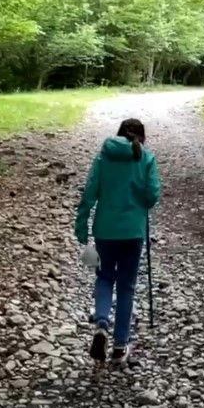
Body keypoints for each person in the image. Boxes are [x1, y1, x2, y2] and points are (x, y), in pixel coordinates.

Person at [74, 117, 161, 365]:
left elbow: (89, 192)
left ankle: (101, 322)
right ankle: (120, 346)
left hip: (105, 230)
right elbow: (152, 195)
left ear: (118, 134)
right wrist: (141, 196)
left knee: (104, 277)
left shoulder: (104, 157)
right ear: (141, 138)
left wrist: (81, 225)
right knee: (126, 287)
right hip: (133, 232)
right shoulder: (146, 158)